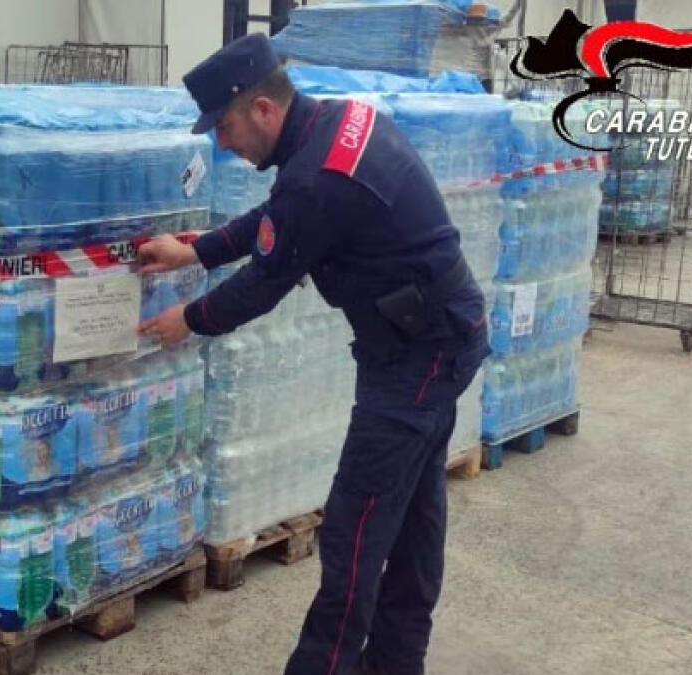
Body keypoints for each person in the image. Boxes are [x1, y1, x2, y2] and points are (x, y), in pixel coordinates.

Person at [137, 34, 490, 675]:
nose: (223, 144)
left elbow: (265, 280)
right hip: (439, 336)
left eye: (225, 127)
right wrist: (196, 251)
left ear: (263, 109)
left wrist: (187, 320)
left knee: (354, 531)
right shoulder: (335, 124)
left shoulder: (316, 176)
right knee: (413, 519)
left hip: (417, 357)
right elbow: (279, 220)